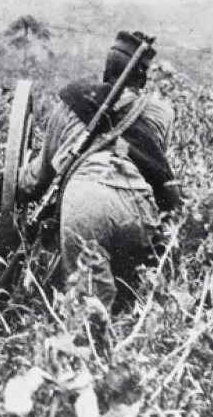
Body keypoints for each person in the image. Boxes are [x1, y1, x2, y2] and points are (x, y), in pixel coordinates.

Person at [17, 31, 183, 340]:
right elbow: (156, 169)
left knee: (88, 316)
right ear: (142, 78)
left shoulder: (70, 103)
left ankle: (91, 356)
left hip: (83, 206)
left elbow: (37, 180)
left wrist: (11, 180)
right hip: (136, 207)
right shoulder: (161, 113)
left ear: (106, 71)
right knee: (136, 302)